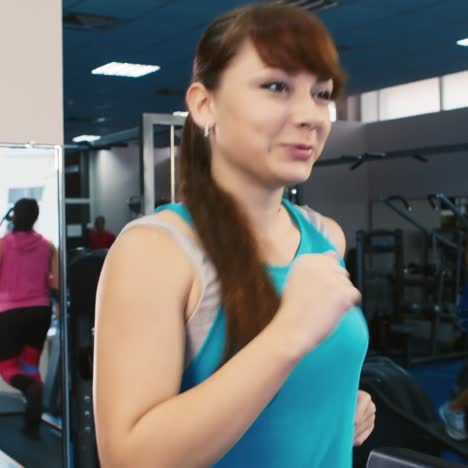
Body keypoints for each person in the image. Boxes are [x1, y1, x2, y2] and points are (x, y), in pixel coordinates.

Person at [94, 4, 375, 467]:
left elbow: (290, 395)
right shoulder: (156, 250)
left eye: (322, 93)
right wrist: (288, 332)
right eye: (276, 86)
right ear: (205, 104)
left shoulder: (327, 237)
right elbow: (129, 460)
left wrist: (341, 402)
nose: (311, 115)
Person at [0, 198, 59, 439]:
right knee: (29, 366)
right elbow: (55, 282)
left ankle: (29, 388)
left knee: (7, 369)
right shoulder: (48, 246)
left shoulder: (3, 245)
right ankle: (32, 425)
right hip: (40, 312)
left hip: (10, 313)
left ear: (14, 216)